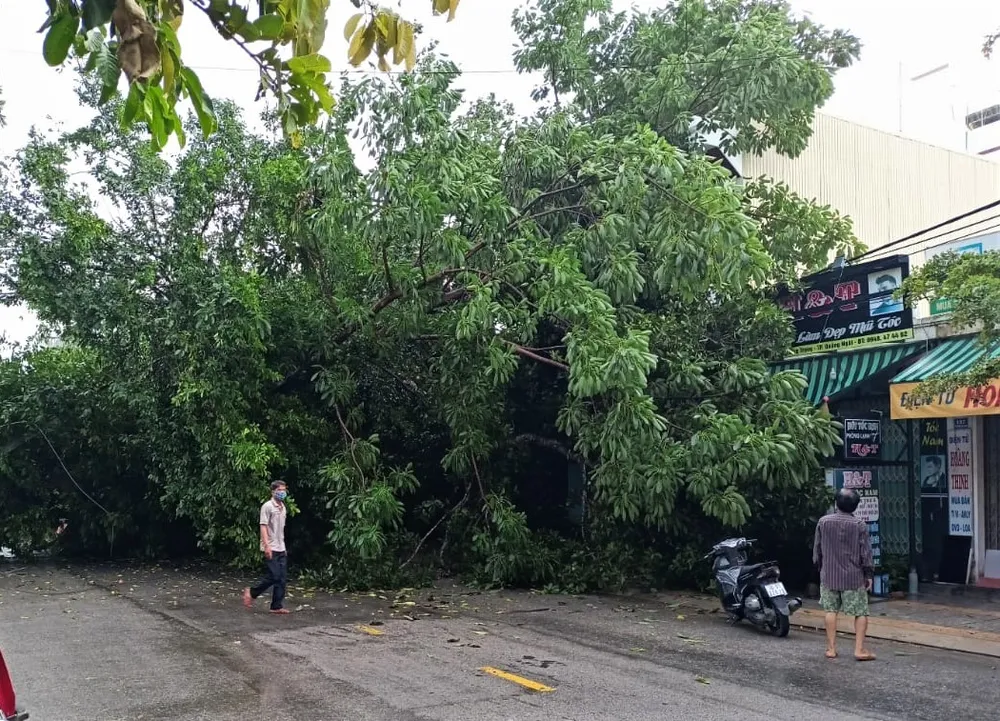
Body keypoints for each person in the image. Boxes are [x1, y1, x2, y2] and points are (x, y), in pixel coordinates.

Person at [813, 487, 875, 661]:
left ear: (836, 503)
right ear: (855, 507)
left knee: (830, 610)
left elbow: (817, 549)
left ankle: (831, 649)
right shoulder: (859, 525)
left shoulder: (823, 522)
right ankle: (859, 649)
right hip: (853, 577)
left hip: (829, 575)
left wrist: (820, 568)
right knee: (861, 612)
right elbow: (866, 553)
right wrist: (868, 574)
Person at [243, 480, 290, 615]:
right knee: (274, 575)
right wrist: (266, 546)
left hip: (281, 546)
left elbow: (280, 530)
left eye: (284, 490)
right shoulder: (267, 506)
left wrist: (284, 546)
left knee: (282, 578)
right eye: (280, 490)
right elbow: (263, 526)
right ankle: (252, 592)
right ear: (273, 491)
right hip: (270, 546)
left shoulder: (283, 507)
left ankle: (276, 606)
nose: (282, 492)